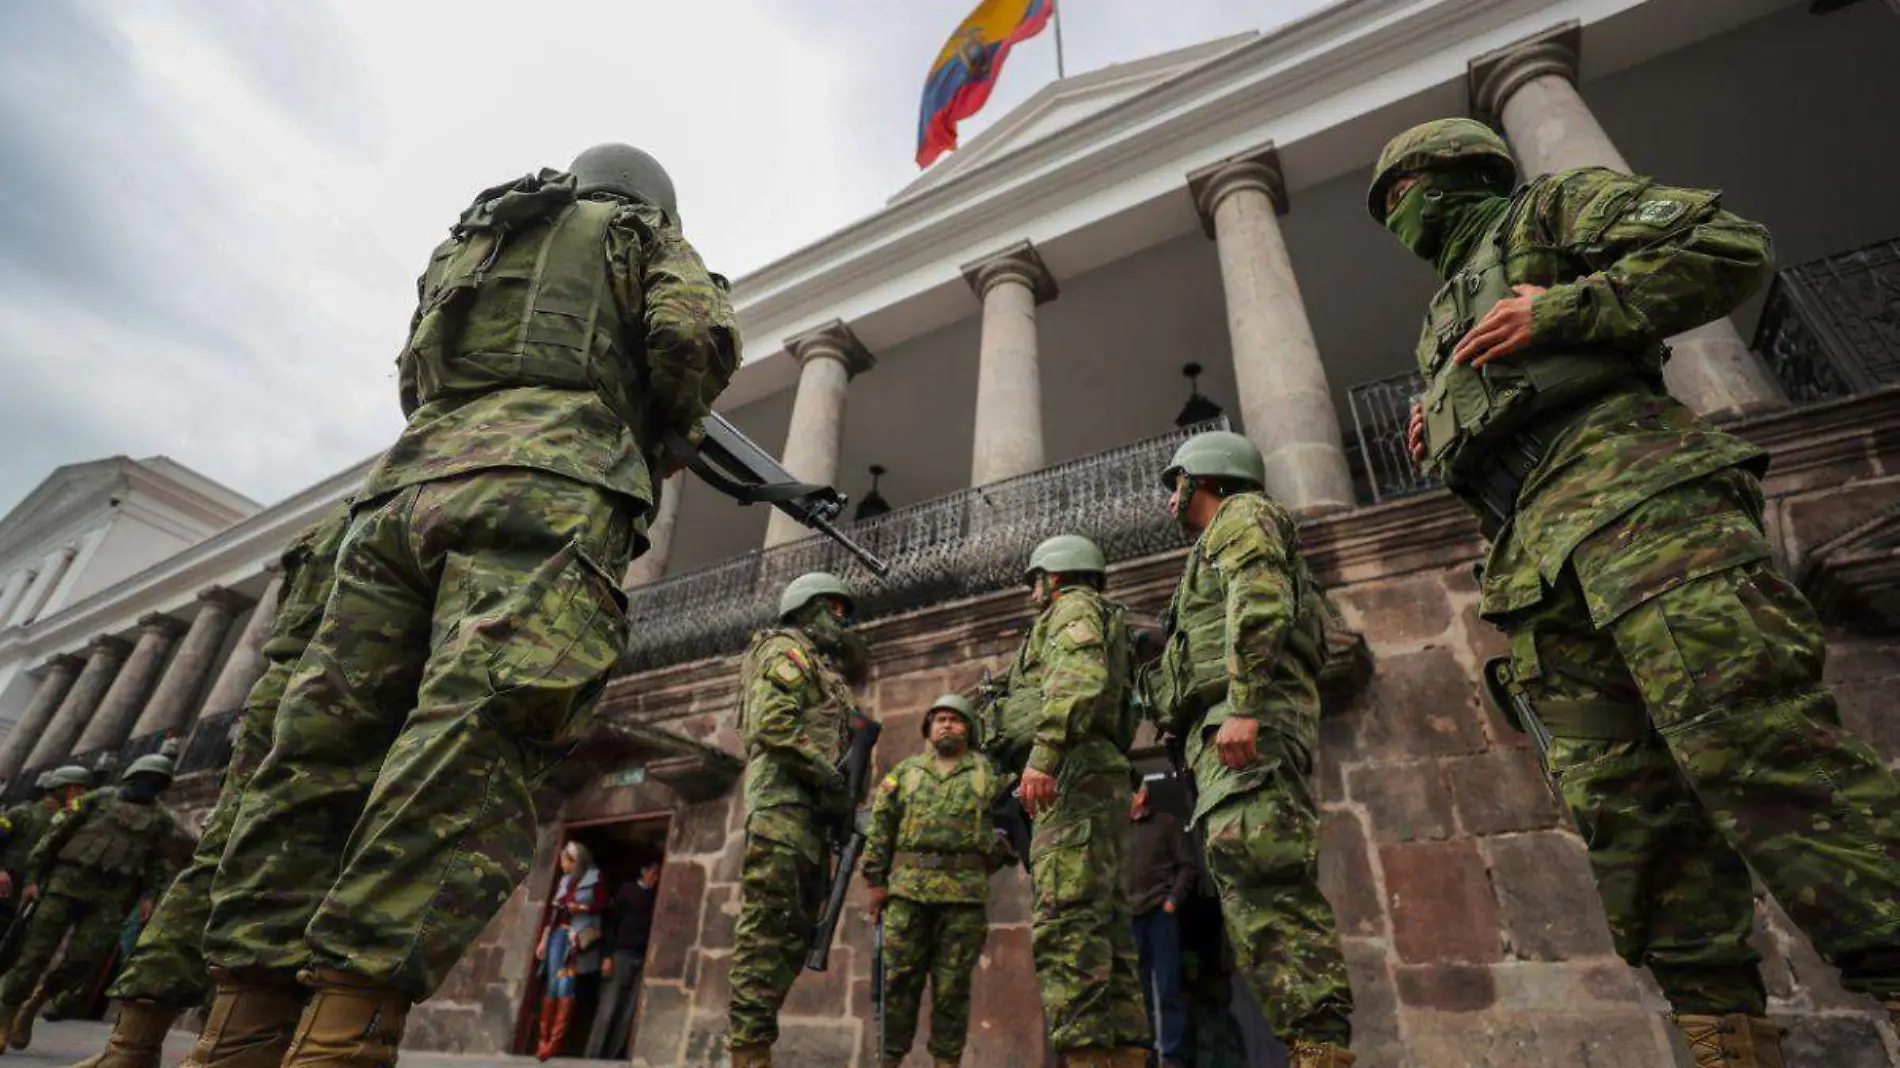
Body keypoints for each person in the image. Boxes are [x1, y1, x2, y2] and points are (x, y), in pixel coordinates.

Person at [192, 143, 738, 1068]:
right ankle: (340, 1039)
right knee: (472, 737)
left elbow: (416, 369)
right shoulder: (641, 235)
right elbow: (688, 339)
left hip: (402, 496)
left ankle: (238, 1030)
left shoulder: (482, 234)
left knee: (320, 749)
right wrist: (656, 425)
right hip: (546, 486)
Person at [1369, 117, 1900, 1066]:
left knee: (1766, 757)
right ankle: (1727, 1040)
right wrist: (1443, 427)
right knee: (1633, 822)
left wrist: (1567, 311)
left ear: (1448, 175)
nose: (1392, 217)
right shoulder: (1439, 320)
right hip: (1540, 570)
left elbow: (1729, 247)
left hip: (1644, 514)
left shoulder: (1552, 208)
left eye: (1396, 193)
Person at [68, 504, 351, 1068]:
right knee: (299, 865)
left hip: (278, 698)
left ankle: (133, 1041)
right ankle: (245, 1044)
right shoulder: (417, 497)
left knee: (217, 863)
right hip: (342, 700)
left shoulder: (331, 524)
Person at [1145, 430, 1354, 1068]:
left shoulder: (1242, 515)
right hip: (1227, 731)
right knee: (1250, 883)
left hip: (1247, 725)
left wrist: (1242, 705)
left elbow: (1257, 603)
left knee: (1267, 880)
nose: (1171, 500)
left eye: (1176, 484)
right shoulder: (1214, 542)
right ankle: (1311, 1046)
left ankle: (1319, 1048)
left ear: (1202, 478)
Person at [991, 534, 1148, 1068]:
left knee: (1068, 922)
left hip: (1073, 771)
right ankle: (1122, 1054)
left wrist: (1044, 755)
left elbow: (1079, 681)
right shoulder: (1099, 615)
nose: (1032, 591)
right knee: (1107, 925)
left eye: (1035, 580)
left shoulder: (1072, 607)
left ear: (1053, 577)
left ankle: (1084, 1057)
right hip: (1093, 772)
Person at [728, 572, 869, 1068]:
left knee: (793, 932)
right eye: (836, 610)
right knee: (768, 929)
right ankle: (747, 1052)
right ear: (807, 608)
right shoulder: (786, 651)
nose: (844, 621)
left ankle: (756, 1042)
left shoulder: (821, 667)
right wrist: (830, 779)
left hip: (809, 818)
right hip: (784, 812)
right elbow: (774, 726)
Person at [0, 756, 191, 1052]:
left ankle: (37, 1000)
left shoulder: (161, 821)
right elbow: (54, 837)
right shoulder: (95, 800)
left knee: (83, 959)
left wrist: (149, 897)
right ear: (132, 775)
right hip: (65, 886)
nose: (149, 787)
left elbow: (156, 863)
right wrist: (33, 879)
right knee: (32, 957)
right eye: (146, 779)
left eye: (156, 783)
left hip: (110, 896)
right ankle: (5, 1021)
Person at [860, 693, 1008, 1068]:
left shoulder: (987, 773)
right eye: (939, 718)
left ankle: (946, 1062)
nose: (947, 724)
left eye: (955, 719)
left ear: (968, 730)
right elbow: (881, 828)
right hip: (908, 895)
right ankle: (889, 1059)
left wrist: (989, 858)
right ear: (928, 728)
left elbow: (1010, 826)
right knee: (897, 986)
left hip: (963, 900)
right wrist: (876, 882)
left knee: (952, 990)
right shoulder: (906, 772)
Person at [1126, 782, 1196, 1068]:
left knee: (1168, 985)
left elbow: (1187, 866)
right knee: (1136, 989)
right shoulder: (1117, 829)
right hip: (1130, 918)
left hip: (1160, 913)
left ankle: (1172, 1056)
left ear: (1140, 793)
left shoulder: (1165, 823)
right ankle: (1146, 1054)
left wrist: (1172, 901)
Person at [534, 841, 603, 1061]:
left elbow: (604, 904)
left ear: (576, 862)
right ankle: (542, 1041)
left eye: (565, 860)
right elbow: (553, 914)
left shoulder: (594, 878)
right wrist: (543, 940)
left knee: (565, 986)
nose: (562, 864)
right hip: (557, 936)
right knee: (552, 984)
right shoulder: (564, 881)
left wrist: (581, 908)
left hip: (576, 937)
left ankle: (554, 1044)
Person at [0, 769, 86, 942]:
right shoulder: (22, 813)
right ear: (62, 789)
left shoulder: (65, 825)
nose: (80, 796)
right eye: (77, 790)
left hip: (22, 899)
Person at [585, 860, 659, 1059]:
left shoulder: (655, 898)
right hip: (620, 954)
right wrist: (608, 955)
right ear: (644, 871)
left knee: (627, 1014)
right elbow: (612, 923)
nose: (656, 878)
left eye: (658, 874)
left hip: (640, 957)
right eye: (653, 873)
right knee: (608, 1008)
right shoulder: (627, 890)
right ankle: (592, 1057)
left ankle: (612, 1057)